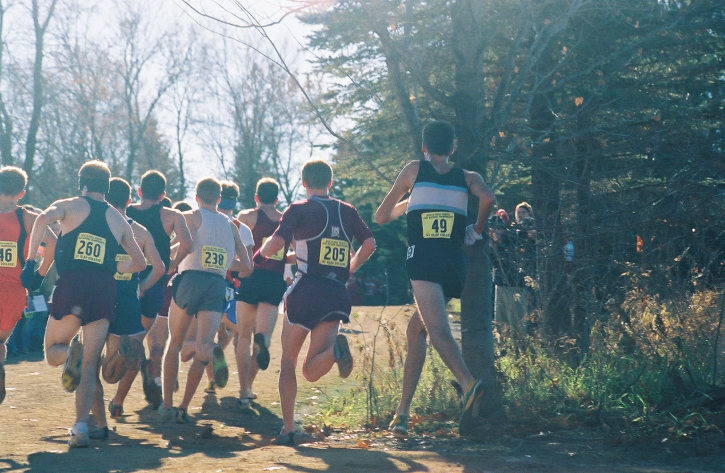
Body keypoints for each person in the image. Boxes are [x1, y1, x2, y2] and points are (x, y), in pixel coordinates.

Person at [374, 120, 496, 437]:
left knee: (438, 329)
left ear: (424, 147)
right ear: (453, 148)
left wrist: (409, 202)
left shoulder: (415, 169)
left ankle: (468, 385)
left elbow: (380, 216)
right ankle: (401, 414)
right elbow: (488, 198)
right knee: (417, 330)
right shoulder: (468, 177)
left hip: (424, 261)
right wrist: (477, 230)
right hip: (455, 265)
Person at [26, 160, 146, 447]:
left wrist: (32, 262)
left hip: (72, 283)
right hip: (104, 288)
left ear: (82, 183)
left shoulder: (71, 205)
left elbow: (42, 218)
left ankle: (69, 356)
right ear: (107, 186)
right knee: (90, 365)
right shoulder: (118, 219)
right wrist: (115, 267)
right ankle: (80, 428)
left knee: (53, 352)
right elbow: (140, 262)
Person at [259, 159, 376, 445]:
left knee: (288, 360)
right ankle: (335, 352)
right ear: (330, 183)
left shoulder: (298, 209)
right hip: (336, 293)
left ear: (303, 183)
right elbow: (370, 243)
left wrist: (259, 253)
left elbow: (274, 245)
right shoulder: (347, 211)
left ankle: (288, 430)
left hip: (305, 291)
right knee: (311, 370)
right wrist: (350, 267)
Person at [160, 177, 252, 423]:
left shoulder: (189, 217)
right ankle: (184, 406)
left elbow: (184, 246)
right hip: (216, 285)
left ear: (196, 197)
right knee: (203, 347)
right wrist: (222, 264)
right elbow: (248, 267)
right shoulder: (232, 225)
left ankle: (168, 405)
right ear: (219, 199)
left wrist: (170, 263)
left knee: (175, 344)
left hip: (189, 280)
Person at [127, 171, 192, 409]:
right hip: (156, 281)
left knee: (122, 336)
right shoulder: (172, 215)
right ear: (163, 195)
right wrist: (173, 264)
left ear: (139, 191)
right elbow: (187, 243)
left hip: (127, 278)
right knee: (157, 340)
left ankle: (138, 371)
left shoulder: (127, 212)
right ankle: (153, 376)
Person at [102, 178, 165, 423]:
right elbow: (158, 268)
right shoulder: (140, 232)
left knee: (93, 358)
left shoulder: (98, 225)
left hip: (100, 296)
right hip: (128, 298)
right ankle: (117, 403)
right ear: (129, 201)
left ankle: (92, 411)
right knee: (134, 355)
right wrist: (141, 286)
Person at [0, 167, 55, 405]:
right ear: (21, 193)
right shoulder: (29, 218)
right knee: (1, 342)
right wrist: (39, 275)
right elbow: (53, 243)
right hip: (14, 291)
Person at [235, 177, 289, 409]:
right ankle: (262, 344)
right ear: (277, 199)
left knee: (243, 336)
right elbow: (295, 253)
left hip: (250, 277)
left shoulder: (247, 216)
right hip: (274, 281)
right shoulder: (287, 221)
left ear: (256, 197)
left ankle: (243, 391)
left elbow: (233, 242)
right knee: (262, 336)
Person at [201, 180, 254, 394]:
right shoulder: (243, 229)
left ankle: (212, 379)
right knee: (233, 334)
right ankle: (237, 385)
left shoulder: (202, 221)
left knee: (206, 338)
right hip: (233, 289)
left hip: (206, 284)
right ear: (235, 201)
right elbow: (247, 267)